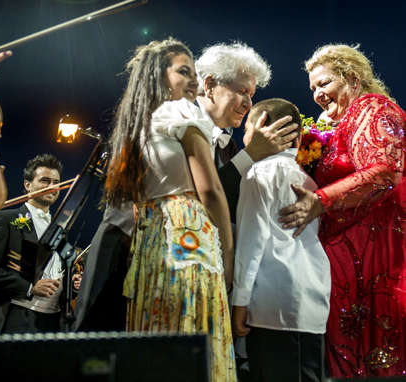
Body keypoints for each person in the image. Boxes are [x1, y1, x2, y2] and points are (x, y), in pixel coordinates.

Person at [104, 38, 236, 381]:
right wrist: (230, 258)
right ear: (157, 76)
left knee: (159, 326)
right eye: (184, 71)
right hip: (188, 234)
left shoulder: (136, 123)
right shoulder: (180, 112)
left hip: (151, 240)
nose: (194, 80)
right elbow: (210, 190)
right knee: (195, 327)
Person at [279, 44, 406, 378]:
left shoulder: (375, 109)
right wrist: (317, 138)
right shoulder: (345, 120)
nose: (318, 94)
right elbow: (315, 171)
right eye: (313, 89)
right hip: (345, 271)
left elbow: (386, 171)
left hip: (378, 266)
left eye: (324, 83)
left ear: (352, 77)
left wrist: (320, 201)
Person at [232, 98, 331, 382]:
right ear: (300, 137)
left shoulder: (257, 173)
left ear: (261, 127)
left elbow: (252, 241)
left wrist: (240, 301)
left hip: (271, 305)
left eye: (247, 128)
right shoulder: (312, 179)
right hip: (314, 300)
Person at [195, 42, 300, 222]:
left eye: (251, 96)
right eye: (242, 92)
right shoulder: (178, 124)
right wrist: (251, 153)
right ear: (210, 85)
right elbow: (198, 201)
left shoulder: (228, 144)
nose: (249, 104)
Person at [0, 153, 76, 333]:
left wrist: (71, 283)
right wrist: (29, 288)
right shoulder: (5, 219)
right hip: (17, 318)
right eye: (45, 181)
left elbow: (56, 270)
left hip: (53, 322)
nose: (52, 187)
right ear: (27, 185)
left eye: (56, 182)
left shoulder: (60, 228)